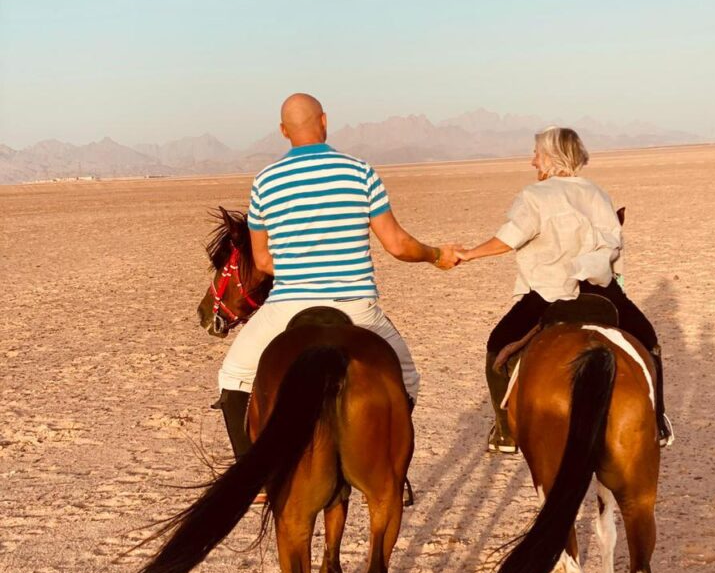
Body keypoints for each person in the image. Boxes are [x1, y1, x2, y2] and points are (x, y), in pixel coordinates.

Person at [217, 93, 461, 482]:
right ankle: (387, 461)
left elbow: (262, 262)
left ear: (283, 131)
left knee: (233, 376)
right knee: (407, 376)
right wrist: (435, 255)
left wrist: (300, 268)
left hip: (287, 307)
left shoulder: (265, 181)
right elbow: (397, 245)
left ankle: (254, 477)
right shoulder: (360, 172)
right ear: (325, 121)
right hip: (355, 306)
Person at [458, 125, 674, 451]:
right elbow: (614, 244)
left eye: (536, 154)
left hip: (549, 293)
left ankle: (505, 432)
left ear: (550, 157)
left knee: (497, 346)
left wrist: (468, 253)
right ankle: (657, 422)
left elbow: (509, 238)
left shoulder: (533, 196)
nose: (533, 162)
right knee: (649, 341)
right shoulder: (597, 193)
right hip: (601, 291)